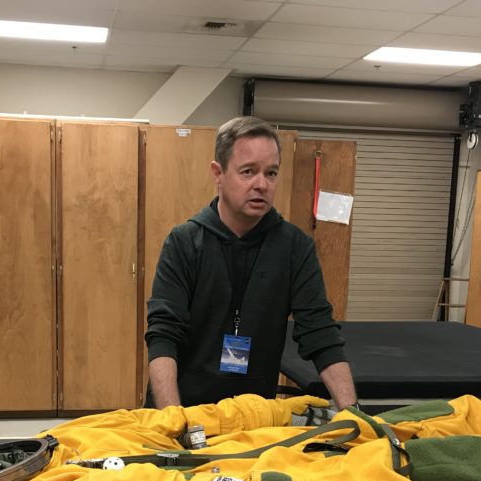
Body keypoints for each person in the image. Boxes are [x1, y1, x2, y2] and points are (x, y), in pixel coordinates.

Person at [145, 116, 358, 410]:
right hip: (184, 409)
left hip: (252, 415)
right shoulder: (184, 243)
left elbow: (320, 333)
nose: (262, 184)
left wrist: (354, 413)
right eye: (248, 172)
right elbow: (163, 335)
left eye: (271, 173)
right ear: (217, 174)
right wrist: (173, 418)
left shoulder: (295, 248)